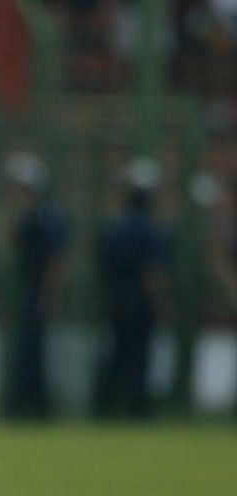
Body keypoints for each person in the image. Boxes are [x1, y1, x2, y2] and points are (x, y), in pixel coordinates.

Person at [93, 158, 170, 419]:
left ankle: (106, 404)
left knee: (116, 352)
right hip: (140, 300)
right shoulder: (150, 230)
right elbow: (152, 272)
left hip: (116, 297)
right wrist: (159, 302)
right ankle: (138, 406)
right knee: (140, 355)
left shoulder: (115, 228)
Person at [3, 151, 68, 419]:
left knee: (33, 349)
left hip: (37, 289)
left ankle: (34, 403)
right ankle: (24, 401)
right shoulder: (30, 215)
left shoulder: (47, 217)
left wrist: (48, 295)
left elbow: (56, 260)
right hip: (28, 288)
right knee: (26, 348)